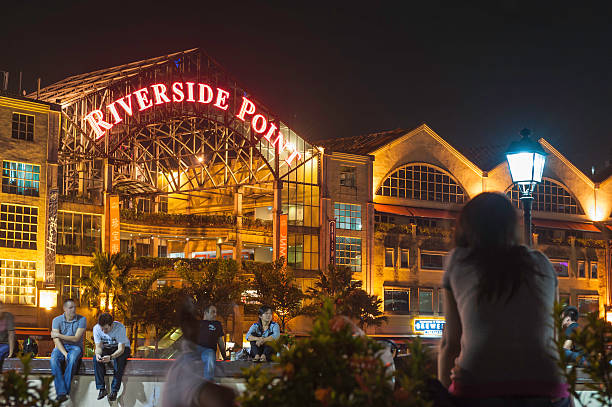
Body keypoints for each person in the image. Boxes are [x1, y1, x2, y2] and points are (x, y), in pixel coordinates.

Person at [438, 192, 569, 407]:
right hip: (547, 388)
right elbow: (552, 335)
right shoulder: (542, 263)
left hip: (478, 387)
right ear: (512, 225)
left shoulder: (460, 260)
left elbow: (451, 342)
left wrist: (444, 397)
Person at [50, 298, 87, 402]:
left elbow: (76, 338)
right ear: (64, 309)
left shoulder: (82, 319)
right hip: (60, 346)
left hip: (76, 347)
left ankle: (62, 392)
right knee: (53, 360)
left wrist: (58, 334)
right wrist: (65, 353)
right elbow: (56, 341)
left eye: (75, 307)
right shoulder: (56, 320)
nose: (73, 310)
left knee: (72, 358)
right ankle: (62, 392)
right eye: (70, 308)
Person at [93, 312, 131, 401]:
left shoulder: (120, 328)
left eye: (106, 329)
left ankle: (114, 390)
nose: (103, 331)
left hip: (122, 348)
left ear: (111, 325)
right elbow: (98, 347)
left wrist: (110, 357)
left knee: (120, 359)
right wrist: (98, 354)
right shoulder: (96, 329)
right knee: (96, 359)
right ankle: (101, 389)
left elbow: (121, 349)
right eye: (102, 329)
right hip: (107, 348)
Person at [197, 304, 227, 381]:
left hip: (208, 351)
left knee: (210, 354)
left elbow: (220, 341)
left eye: (216, 312)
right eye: (213, 312)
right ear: (205, 313)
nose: (215, 314)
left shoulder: (217, 324)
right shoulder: (197, 324)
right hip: (196, 349)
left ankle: (208, 382)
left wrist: (224, 356)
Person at [0, 301, 15, 370]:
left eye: (1, 308)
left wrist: (10, 354)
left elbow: (11, 335)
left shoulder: (8, 316)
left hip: (5, 344)